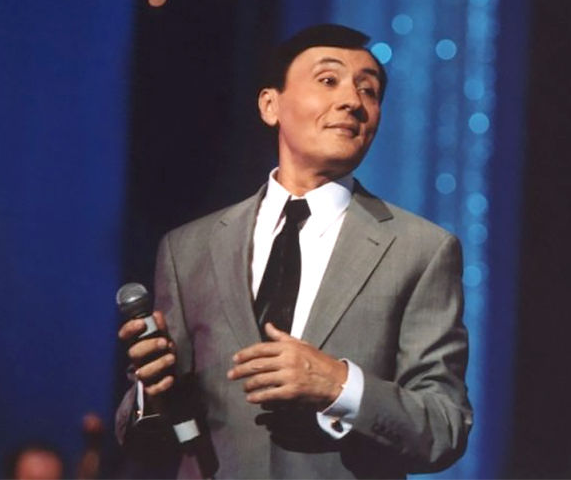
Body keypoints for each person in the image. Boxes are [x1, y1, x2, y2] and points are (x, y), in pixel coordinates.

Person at [116, 24, 472, 479]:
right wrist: (151, 393)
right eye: (329, 80)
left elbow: (444, 427)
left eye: (369, 90)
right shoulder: (188, 249)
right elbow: (151, 441)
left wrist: (339, 384)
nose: (352, 101)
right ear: (271, 105)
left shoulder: (421, 250)